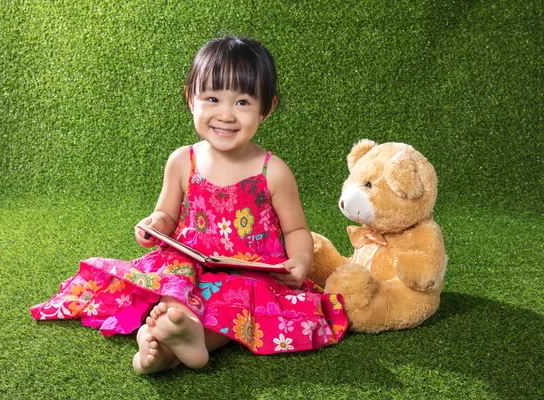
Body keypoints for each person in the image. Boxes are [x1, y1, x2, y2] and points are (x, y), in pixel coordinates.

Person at [30, 36, 347, 375]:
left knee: (236, 301)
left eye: (242, 102)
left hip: (248, 269)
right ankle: (170, 340)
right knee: (174, 280)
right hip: (189, 258)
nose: (225, 115)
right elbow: (166, 214)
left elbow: (296, 229)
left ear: (266, 109)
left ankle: (187, 338)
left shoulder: (273, 171)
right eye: (212, 98)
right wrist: (153, 225)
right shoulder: (183, 161)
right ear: (190, 99)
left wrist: (299, 260)